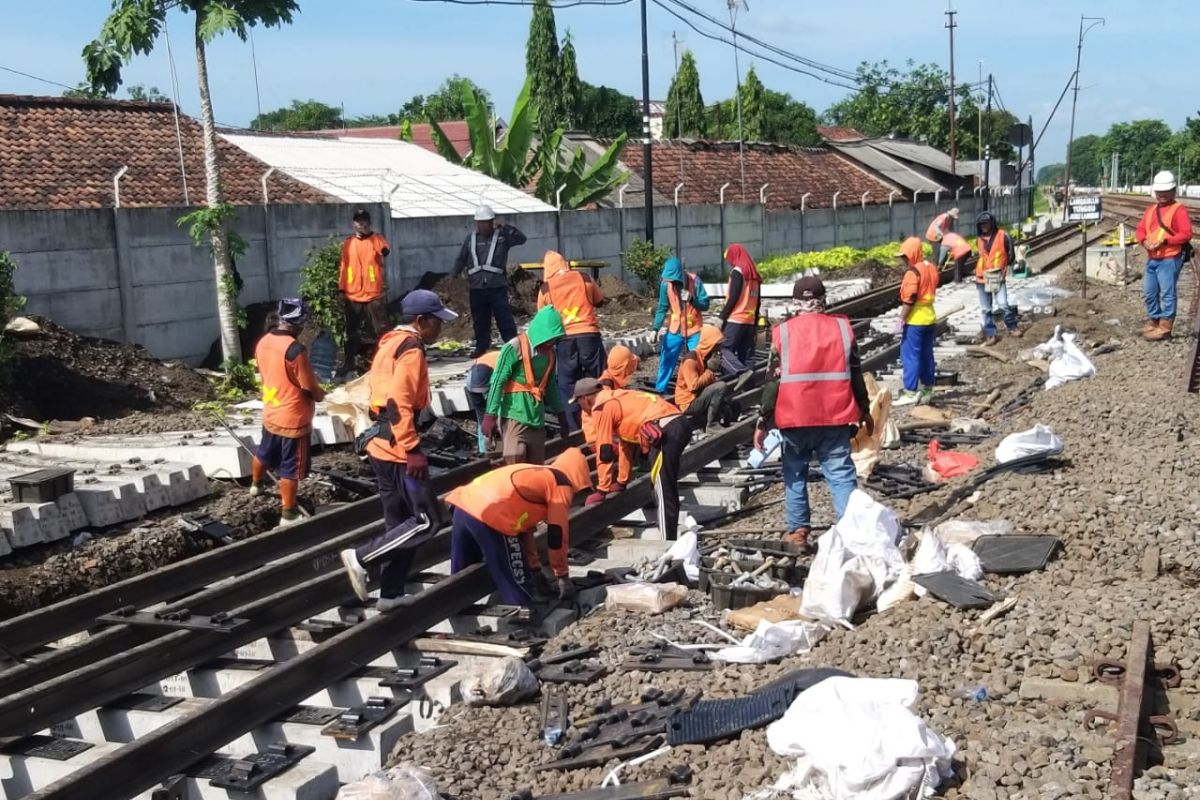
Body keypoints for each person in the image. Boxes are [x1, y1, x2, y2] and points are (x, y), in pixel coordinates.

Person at [340, 290, 458, 611]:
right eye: (437, 322)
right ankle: (361, 557)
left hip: (380, 443)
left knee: (400, 524)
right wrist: (413, 449)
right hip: (397, 447)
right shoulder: (412, 350)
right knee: (427, 520)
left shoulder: (389, 342)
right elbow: (398, 402)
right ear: (421, 322)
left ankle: (390, 594)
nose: (441, 329)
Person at [755, 277, 872, 548]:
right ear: (824, 299)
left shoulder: (783, 332)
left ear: (795, 302)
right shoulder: (842, 329)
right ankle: (851, 530)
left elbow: (772, 381)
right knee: (841, 474)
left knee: (795, 473)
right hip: (835, 415)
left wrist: (763, 420)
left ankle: (797, 533)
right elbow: (855, 373)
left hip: (794, 417)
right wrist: (864, 409)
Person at [446, 447, 593, 605]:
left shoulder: (539, 474)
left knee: (462, 570)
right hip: (491, 514)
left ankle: (454, 605)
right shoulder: (561, 484)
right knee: (514, 571)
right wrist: (562, 576)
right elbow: (557, 534)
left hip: (463, 506)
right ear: (579, 475)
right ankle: (524, 608)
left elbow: (525, 529)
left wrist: (535, 568)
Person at [574, 378, 693, 541]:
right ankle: (661, 518)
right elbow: (626, 444)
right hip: (678, 424)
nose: (581, 408)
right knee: (661, 481)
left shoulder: (601, 407)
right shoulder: (619, 396)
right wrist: (622, 481)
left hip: (666, 430)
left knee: (663, 486)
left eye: (579, 402)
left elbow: (605, 450)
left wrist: (602, 489)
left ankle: (667, 541)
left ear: (585, 398)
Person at [250, 299, 326, 526]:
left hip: (272, 410)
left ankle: (256, 484)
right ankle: (288, 512)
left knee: (264, 451)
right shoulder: (295, 350)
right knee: (290, 468)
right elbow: (308, 386)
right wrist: (321, 395)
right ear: (298, 325)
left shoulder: (264, 341)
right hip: (293, 418)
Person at [482, 306, 569, 465]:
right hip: (514, 414)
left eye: (554, 339)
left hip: (536, 417)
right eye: (550, 338)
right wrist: (490, 415)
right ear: (541, 333)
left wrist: (561, 413)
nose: (551, 342)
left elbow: (550, 386)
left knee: (535, 467)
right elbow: (498, 381)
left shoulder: (549, 354)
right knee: (516, 457)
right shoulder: (514, 347)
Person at [537, 250, 606, 432]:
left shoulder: (545, 288)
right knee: (600, 378)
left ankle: (575, 428)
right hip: (589, 336)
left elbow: (543, 317)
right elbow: (599, 300)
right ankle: (605, 417)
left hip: (564, 340)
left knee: (567, 384)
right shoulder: (583, 278)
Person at [453, 206, 527, 358]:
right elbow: (461, 258)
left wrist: (506, 227)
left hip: (497, 286)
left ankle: (513, 346)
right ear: (476, 223)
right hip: (477, 287)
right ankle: (481, 347)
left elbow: (522, 239)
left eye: (487, 222)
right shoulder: (471, 239)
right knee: (480, 319)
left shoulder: (502, 237)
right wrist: (453, 275)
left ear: (492, 222)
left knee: (504, 317)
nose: (484, 226)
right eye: (481, 223)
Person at [1136, 171, 1194, 341]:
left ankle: (1166, 326)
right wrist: (1144, 241)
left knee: (1167, 293)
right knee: (1149, 292)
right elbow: (1140, 230)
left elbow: (1186, 234)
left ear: (1173, 190)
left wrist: (1165, 241)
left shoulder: (1178, 210)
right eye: (1159, 191)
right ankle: (1154, 320)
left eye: (1166, 191)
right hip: (1153, 258)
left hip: (1170, 258)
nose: (1162, 195)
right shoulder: (1151, 210)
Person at [337, 209, 390, 376]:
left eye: (364, 221)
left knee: (381, 329)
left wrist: (371, 235)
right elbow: (344, 267)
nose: (361, 224)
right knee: (351, 331)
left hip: (373, 292)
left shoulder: (377, 239)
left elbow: (385, 251)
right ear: (354, 224)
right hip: (353, 293)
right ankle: (349, 363)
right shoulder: (347, 243)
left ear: (369, 223)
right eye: (358, 221)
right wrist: (341, 289)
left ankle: (386, 361)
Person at [651, 256, 709, 394]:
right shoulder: (666, 285)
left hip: (694, 329)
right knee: (666, 361)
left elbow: (705, 304)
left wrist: (692, 299)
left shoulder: (695, 281)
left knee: (697, 361)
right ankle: (660, 390)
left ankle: (699, 389)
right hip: (675, 329)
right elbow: (662, 307)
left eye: (675, 282)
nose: (672, 284)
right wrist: (655, 329)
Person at [894, 236, 940, 406]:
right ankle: (928, 389)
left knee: (910, 356)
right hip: (930, 317)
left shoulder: (913, 273)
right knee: (927, 354)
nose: (903, 261)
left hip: (915, 320)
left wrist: (901, 319)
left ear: (911, 254)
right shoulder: (931, 268)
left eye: (904, 257)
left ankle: (910, 391)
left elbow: (910, 299)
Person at [675, 324, 737, 432]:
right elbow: (693, 386)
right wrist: (710, 370)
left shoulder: (704, 357)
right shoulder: (691, 360)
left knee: (732, 401)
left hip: (697, 397)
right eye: (716, 345)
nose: (718, 348)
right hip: (688, 403)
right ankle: (712, 424)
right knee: (720, 386)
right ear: (709, 344)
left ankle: (720, 419)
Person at [974, 212, 1021, 346]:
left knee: (1003, 304)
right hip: (982, 276)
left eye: (986, 223)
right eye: (981, 224)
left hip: (996, 275)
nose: (984, 226)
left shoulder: (1002, 236)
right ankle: (990, 334)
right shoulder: (979, 238)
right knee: (986, 308)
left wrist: (1002, 266)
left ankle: (1012, 327)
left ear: (992, 223)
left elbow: (1011, 255)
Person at [719, 244, 762, 372]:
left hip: (735, 319)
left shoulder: (738, 272)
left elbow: (733, 297)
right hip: (749, 320)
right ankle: (750, 385)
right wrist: (755, 322)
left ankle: (740, 374)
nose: (730, 263)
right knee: (747, 355)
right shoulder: (754, 275)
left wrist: (722, 317)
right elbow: (758, 301)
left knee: (724, 351)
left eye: (730, 260)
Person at [465, 350, 500, 454]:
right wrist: (487, 431)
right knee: (483, 421)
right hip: (475, 384)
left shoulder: (502, 364)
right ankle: (484, 452)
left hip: (498, 377)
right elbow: (481, 412)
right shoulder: (472, 385)